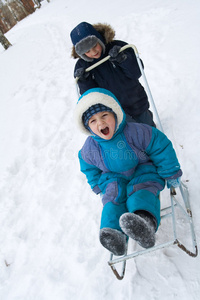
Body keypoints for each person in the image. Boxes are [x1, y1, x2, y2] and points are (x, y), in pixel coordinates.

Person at [74, 87, 182, 256]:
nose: (100, 123)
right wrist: (96, 185)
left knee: (140, 193)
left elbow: (160, 146)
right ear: (87, 127)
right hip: (113, 179)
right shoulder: (90, 148)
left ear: (115, 113)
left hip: (142, 170)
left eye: (104, 116)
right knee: (112, 201)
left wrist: (171, 172)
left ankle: (144, 224)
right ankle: (113, 235)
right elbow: (88, 167)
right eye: (93, 121)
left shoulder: (136, 132)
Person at [70, 21, 156, 127]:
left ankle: (149, 126)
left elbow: (136, 72)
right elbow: (91, 96)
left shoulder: (118, 47)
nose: (93, 52)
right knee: (132, 132)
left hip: (135, 99)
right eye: (87, 51)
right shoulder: (83, 66)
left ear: (99, 39)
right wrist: (84, 81)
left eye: (94, 46)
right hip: (112, 108)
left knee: (148, 128)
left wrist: (123, 59)